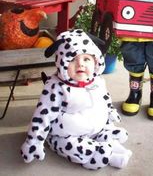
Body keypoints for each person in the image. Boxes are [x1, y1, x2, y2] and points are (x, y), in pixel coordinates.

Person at [21, 29, 132, 170]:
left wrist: (110, 110)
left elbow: (105, 97)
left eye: (86, 59)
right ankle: (107, 155)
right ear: (62, 63)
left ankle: (112, 144)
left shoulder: (97, 80)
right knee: (69, 146)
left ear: (96, 61)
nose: (80, 64)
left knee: (107, 128)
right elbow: (43, 115)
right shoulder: (56, 87)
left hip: (96, 124)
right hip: (67, 133)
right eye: (73, 59)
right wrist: (34, 141)